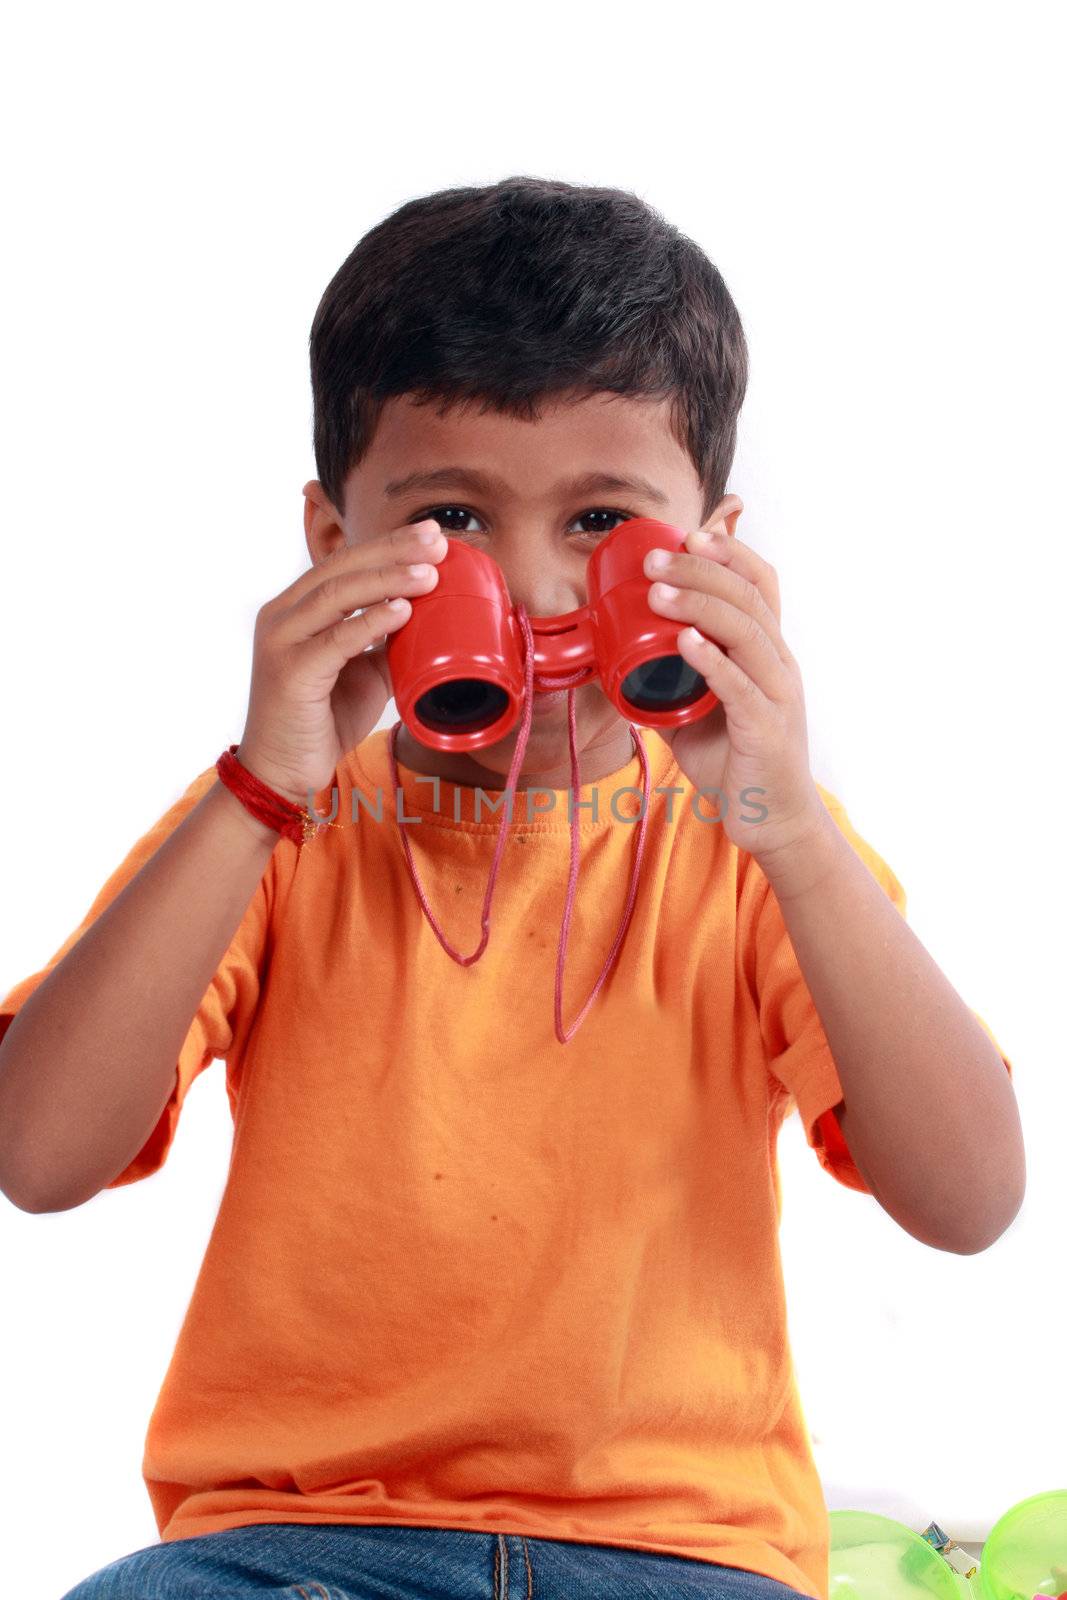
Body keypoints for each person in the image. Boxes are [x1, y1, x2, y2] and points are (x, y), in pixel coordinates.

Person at [0, 176, 1020, 1600]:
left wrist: (785, 821)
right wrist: (259, 788)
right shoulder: (273, 827)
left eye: (604, 522)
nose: (538, 592)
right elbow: (37, 1156)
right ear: (332, 542)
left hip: (677, 1555)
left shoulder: (753, 844)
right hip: (300, 1551)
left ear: (713, 548)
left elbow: (971, 1198)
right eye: (455, 522)